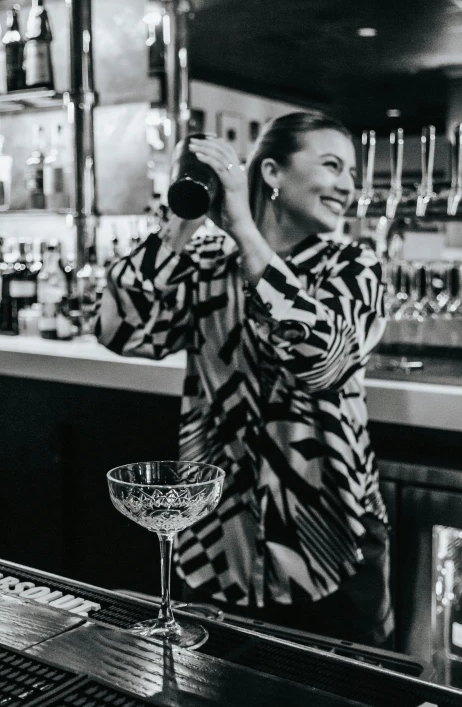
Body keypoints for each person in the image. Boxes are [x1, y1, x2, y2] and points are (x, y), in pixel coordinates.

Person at [95, 111, 393, 648]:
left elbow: (322, 361)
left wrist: (244, 232)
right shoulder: (207, 266)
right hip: (215, 552)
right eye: (333, 165)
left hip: (331, 550)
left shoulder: (355, 267)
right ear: (273, 173)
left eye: (351, 171)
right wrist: (182, 221)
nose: (349, 185)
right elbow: (119, 328)